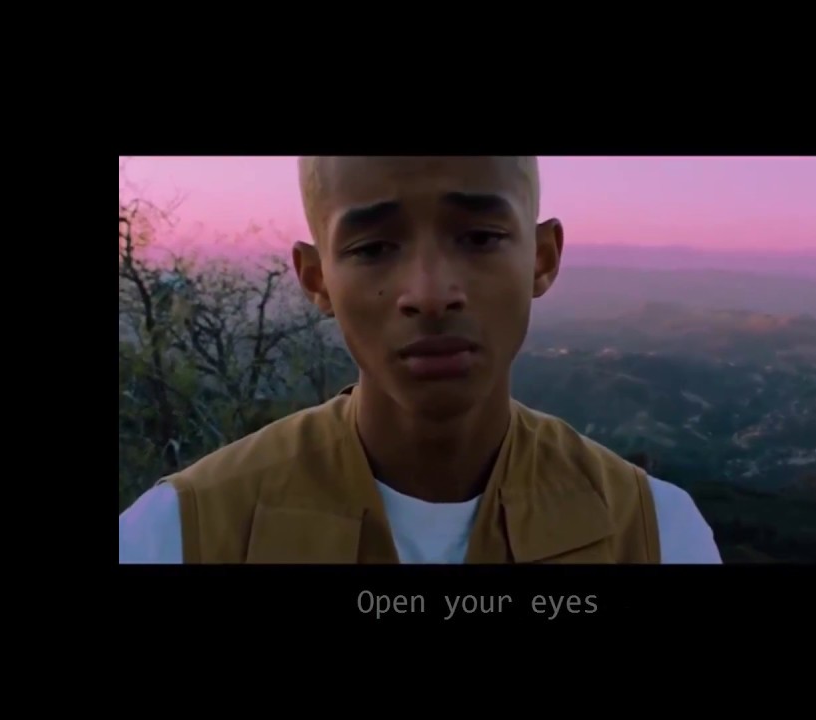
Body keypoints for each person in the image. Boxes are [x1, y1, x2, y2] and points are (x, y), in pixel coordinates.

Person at [118, 156, 722, 564]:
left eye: (480, 238)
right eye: (373, 247)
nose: (430, 294)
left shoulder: (654, 535)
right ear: (317, 279)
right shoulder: (180, 535)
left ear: (541, 258)